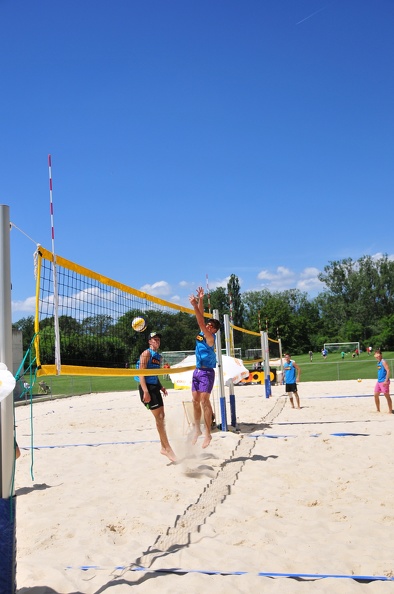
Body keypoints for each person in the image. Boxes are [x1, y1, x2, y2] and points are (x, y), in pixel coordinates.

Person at [136, 331, 177, 462]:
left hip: (154, 387)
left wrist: (160, 387)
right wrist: (146, 391)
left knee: (162, 417)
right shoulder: (146, 353)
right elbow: (141, 374)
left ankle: (163, 447)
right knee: (159, 418)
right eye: (154, 339)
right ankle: (167, 449)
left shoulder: (157, 356)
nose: (157, 341)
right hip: (146, 388)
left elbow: (154, 374)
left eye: (158, 339)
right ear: (149, 341)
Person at [189, 287, 221, 448]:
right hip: (197, 370)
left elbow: (200, 321)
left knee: (204, 400)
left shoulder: (210, 337)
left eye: (210, 326)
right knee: (194, 401)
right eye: (207, 325)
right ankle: (197, 429)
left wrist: (194, 304)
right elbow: (201, 317)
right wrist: (200, 300)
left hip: (207, 372)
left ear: (214, 330)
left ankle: (208, 433)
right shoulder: (202, 332)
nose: (207, 326)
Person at [373, 349, 392, 414]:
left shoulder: (383, 361)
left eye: (378, 354)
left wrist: (386, 381)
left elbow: (388, 370)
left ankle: (390, 410)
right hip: (379, 381)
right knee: (376, 395)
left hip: (384, 381)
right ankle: (378, 409)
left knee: (387, 395)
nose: (377, 356)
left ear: (381, 355)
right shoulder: (378, 362)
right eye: (376, 354)